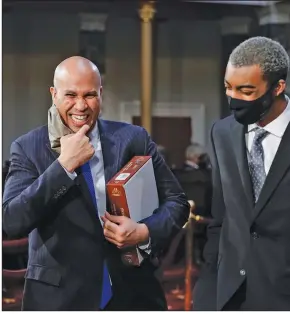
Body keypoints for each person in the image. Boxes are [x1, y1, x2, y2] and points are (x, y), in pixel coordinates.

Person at [2, 56, 189, 311]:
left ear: (100, 94)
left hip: (133, 294)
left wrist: (144, 232)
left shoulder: (133, 139)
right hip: (59, 299)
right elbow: (12, 220)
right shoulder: (27, 148)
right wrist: (64, 166)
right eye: (70, 95)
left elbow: (177, 202)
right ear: (54, 94)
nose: (81, 106)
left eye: (89, 95)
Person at [193, 36, 290, 310]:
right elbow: (220, 220)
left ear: (277, 87)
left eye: (246, 91)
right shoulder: (222, 132)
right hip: (229, 292)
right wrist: (206, 295)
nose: (234, 99)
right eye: (228, 88)